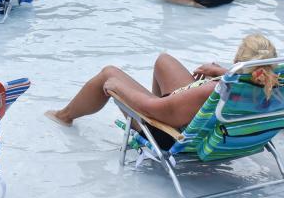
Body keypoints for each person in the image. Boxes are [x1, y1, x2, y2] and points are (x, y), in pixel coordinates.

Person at [46, 34, 279, 133]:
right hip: (211, 123)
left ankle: (65, 116)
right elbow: (247, 76)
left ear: (239, 60)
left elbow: (151, 108)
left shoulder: (214, 90)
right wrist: (221, 71)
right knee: (163, 60)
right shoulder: (274, 84)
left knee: (109, 74)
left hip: (170, 132)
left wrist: (117, 87)